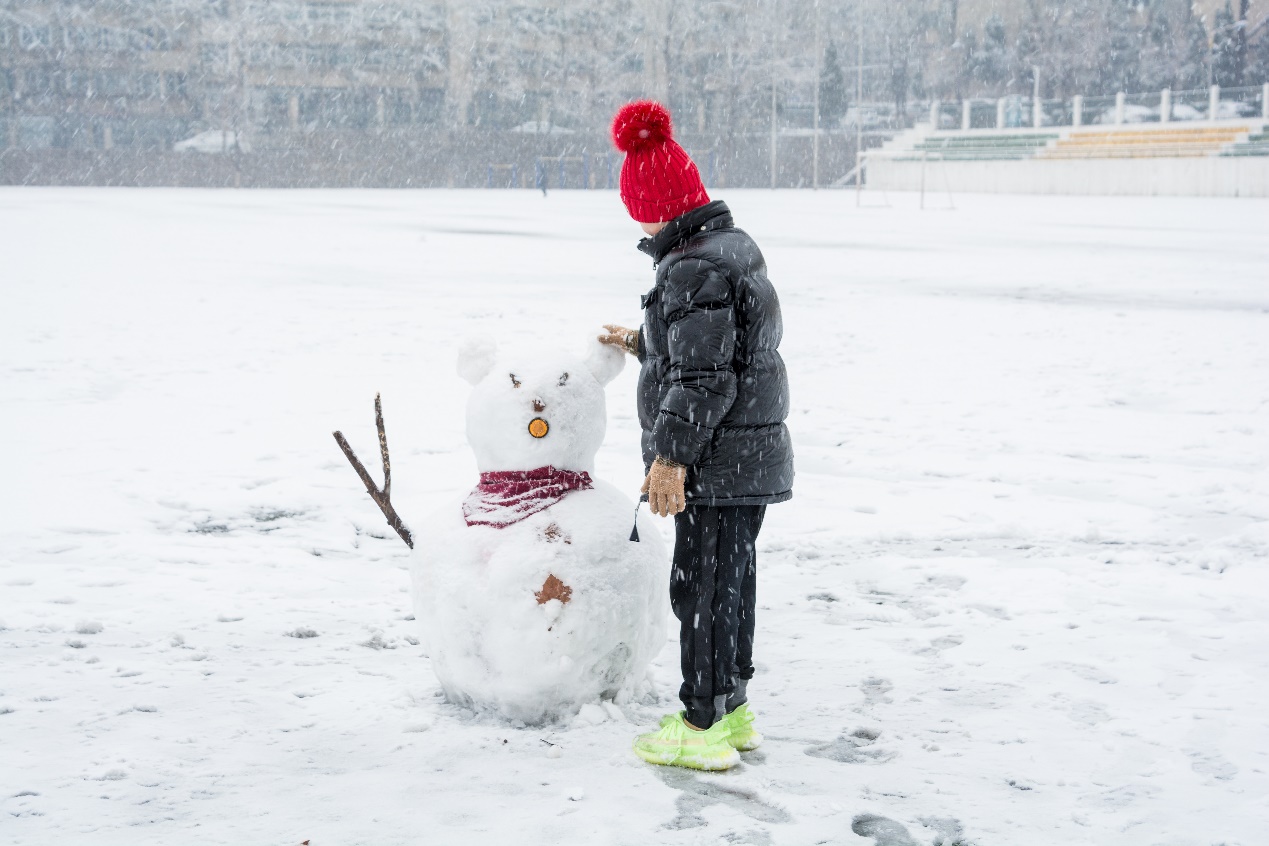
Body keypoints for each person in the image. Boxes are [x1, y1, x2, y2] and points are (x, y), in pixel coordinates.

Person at [599, 101, 794, 771]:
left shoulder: (688, 270)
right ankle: (732, 711)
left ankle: (702, 725)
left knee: (702, 590)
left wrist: (670, 459)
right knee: (730, 583)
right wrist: (641, 342)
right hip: (749, 456)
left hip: (714, 459)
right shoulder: (729, 249)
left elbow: (706, 378)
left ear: (654, 207)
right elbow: (720, 352)